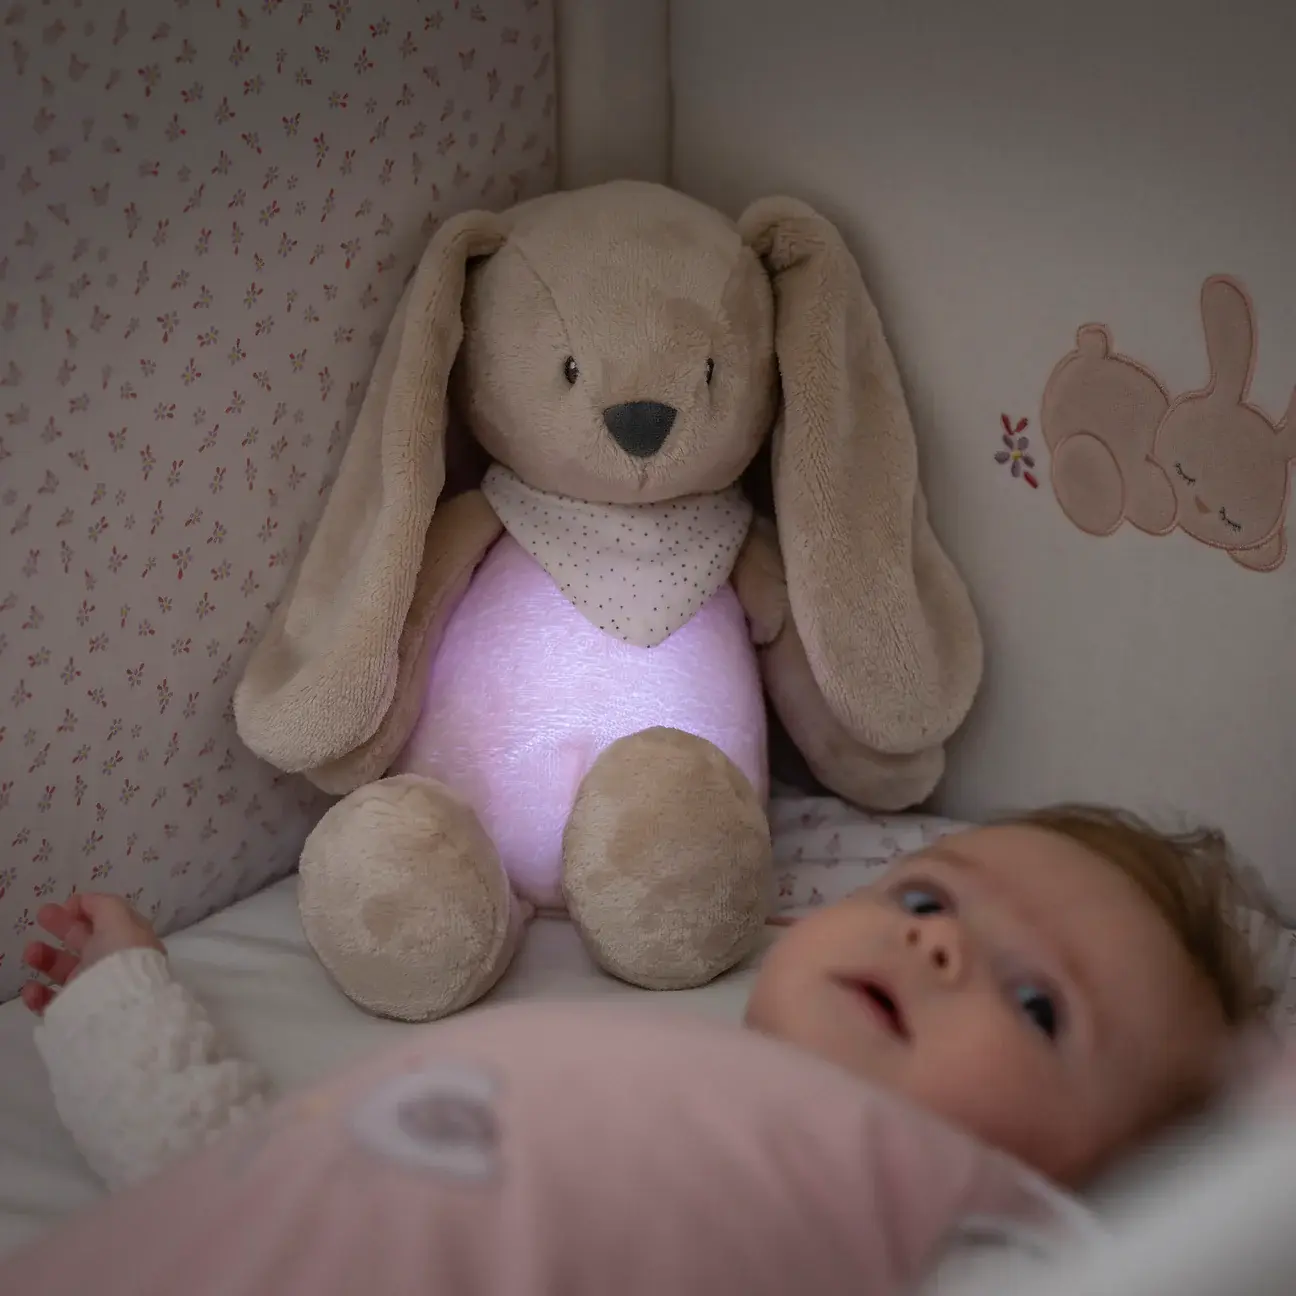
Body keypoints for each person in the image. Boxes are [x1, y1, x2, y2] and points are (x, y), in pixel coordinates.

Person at [19, 802, 1280, 1196]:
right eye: (924, 899)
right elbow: (258, 1185)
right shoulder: (644, 1083)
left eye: (1040, 1004)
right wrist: (124, 1007)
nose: (939, 948)